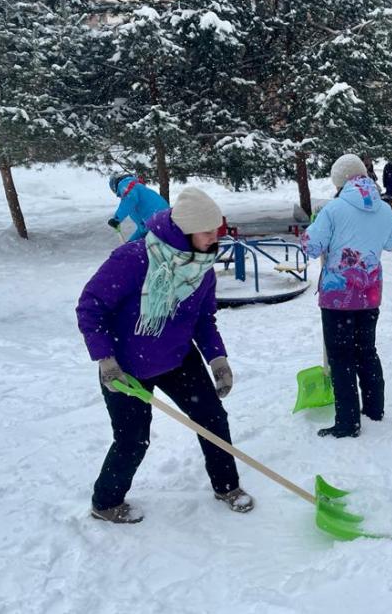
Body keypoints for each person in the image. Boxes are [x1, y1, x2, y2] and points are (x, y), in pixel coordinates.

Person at [77, 188, 252, 523]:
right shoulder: (133, 259)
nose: (214, 238)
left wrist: (218, 359)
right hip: (125, 366)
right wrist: (106, 361)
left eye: (217, 229)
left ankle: (227, 486)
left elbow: (203, 319)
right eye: (206, 231)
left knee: (212, 419)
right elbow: (90, 308)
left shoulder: (202, 267)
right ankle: (105, 502)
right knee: (133, 439)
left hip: (177, 356)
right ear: (184, 232)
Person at [301, 154, 392, 438]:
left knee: (341, 357)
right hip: (370, 293)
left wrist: (314, 232)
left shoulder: (333, 210)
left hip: (338, 297)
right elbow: (391, 243)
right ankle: (374, 409)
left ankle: (347, 422)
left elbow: (311, 246)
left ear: (340, 181)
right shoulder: (384, 209)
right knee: (366, 351)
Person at [107, 173, 169, 241]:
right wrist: (130, 242)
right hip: (159, 222)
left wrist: (117, 219)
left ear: (114, 187)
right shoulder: (136, 189)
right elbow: (143, 228)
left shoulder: (125, 184)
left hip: (158, 221)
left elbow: (130, 199)